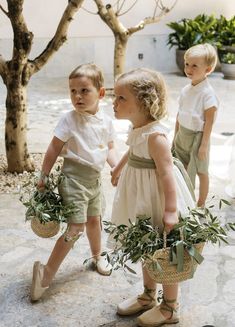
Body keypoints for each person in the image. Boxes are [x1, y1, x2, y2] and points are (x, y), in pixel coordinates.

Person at [109, 68, 195, 327]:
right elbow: (133, 147)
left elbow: (167, 173)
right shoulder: (138, 127)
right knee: (145, 244)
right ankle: (148, 295)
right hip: (139, 195)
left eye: (121, 98)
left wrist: (170, 209)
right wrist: (119, 166)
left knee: (164, 250)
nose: (114, 102)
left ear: (143, 104)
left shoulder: (156, 136)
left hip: (157, 197)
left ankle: (170, 307)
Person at [30, 63, 118, 302]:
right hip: (73, 178)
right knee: (75, 227)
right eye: (72, 91)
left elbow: (109, 149)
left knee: (94, 220)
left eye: (84, 90)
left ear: (100, 93)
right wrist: (43, 177)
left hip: (94, 180)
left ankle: (98, 255)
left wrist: (118, 168)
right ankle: (46, 274)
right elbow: (53, 148)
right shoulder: (69, 119)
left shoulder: (107, 121)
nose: (77, 96)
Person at [172, 43, 219, 207]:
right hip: (183, 135)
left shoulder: (207, 94)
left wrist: (204, 145)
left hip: (199, 138)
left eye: (194, 66)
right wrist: (175, 135)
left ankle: (201, 203)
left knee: (201, 170)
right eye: (187, 64)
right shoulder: (186, 90)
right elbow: (180, 114)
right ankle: (186, 199)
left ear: (208, 69)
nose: (188, 69)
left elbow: (209, 121)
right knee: (182, 167)